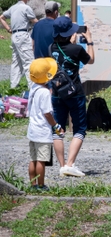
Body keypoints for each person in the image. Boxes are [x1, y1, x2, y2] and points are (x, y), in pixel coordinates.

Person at [50, 16, 95, 177]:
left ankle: (62, 165)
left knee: (58, 129)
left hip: (56, 93)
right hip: (74, 93)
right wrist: (89, 41)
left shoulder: (51, 47)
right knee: (80, 128)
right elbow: (91, 60)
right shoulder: (76, 49)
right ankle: (70, 163)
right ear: (69, 33)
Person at [26, 58, 63, 190]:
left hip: (32, 129)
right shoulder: (45, 92)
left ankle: (32, 185)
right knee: (41, 160)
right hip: (42, 131)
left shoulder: (34, 87)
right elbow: (47, 113)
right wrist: (56, 126)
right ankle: (41, 185)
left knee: (33, 159)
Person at [1, 0, 38, 88]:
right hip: (23, 35)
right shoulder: (26, 8)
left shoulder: (13, 7)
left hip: (14, 36)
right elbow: (35, 21)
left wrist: (9, 29)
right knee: (29, 61)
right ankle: (33, 86)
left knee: (16, 62)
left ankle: (13, 87)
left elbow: (2, 17)